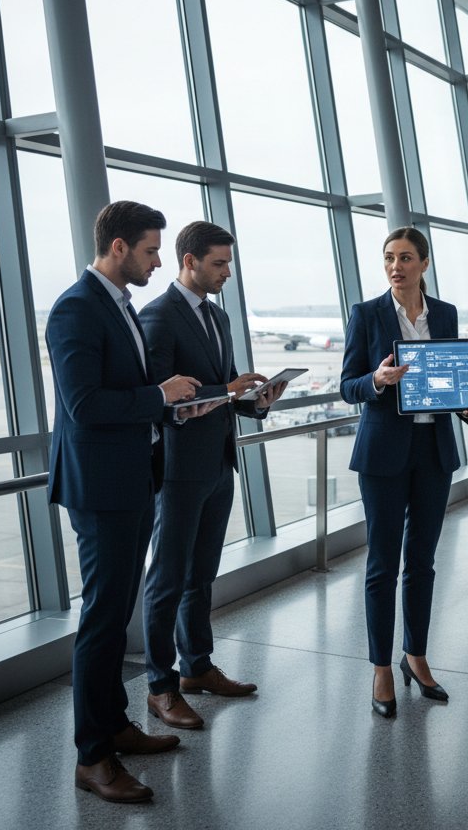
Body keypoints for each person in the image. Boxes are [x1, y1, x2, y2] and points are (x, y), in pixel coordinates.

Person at [46, 201, 205, 804]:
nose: (157, 261)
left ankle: (114, 725)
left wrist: (163, 400)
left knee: (116, 616)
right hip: (100, 487)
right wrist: (158, 395)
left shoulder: (120, 307)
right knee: (103, 620)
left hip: (131, 480)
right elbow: (85, 405)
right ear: (118, 248)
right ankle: (92, 757)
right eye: (149, 251)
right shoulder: (76, 309)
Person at [138, 221, 287, 731]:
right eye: (219, 263)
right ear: (189, 261)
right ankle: (160, 684)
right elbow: (161, 401)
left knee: (201, 576)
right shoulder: (157, 318)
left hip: (218, 464)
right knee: (168, 579)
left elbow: (221, 397)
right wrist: (226, 387)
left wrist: (255, 402)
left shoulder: (218, 319)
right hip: (178, 471)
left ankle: (196, 667)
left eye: (229, 262)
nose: (227, 272)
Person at [340, 227, 468, 717]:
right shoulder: (366, 314)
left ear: (424, 263)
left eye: (405, 258)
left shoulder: (443, 314)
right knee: (382, 564)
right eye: (388, 258)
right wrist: (376, 380)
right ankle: (381, 668)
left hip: (433, 450)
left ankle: (415, 656)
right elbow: (347, 385)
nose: (395, 266)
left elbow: (451, 378)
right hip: (383, 453)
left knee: (421, 562)